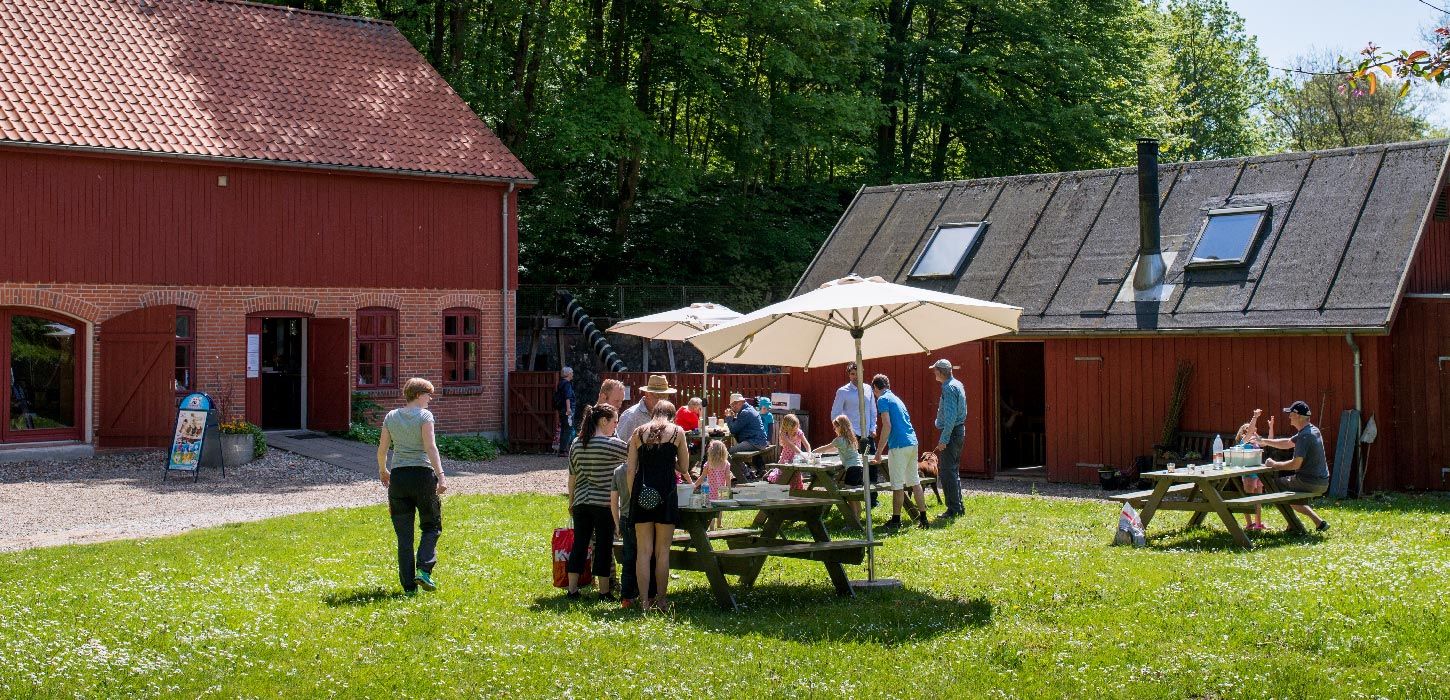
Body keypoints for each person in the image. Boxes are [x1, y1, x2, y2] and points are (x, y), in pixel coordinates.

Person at [377, 377, 448, 595]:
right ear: (418, 395)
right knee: (431, 526)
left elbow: (382, 449)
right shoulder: (425, 416)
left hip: (398, 478)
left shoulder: (391, 416)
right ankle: (424, 570)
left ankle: (409, 587)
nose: (430, 399)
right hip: (422, 477)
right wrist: (441, 476)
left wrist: (383, 471)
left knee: (404, 537)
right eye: (428, 394)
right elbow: (430, 447)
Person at [626, 401, 694, 611]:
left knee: (643, 552)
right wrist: (668, 461)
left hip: (642, 494)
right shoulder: (677, 432)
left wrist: (633, 495)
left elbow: (630, 470)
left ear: (653, 414)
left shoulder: (638, 433)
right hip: (666, 492)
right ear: (672, 416)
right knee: (662, 551)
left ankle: (645, 602)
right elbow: (684, 467)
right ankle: (662, 601)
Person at [566, 404, 626, 600]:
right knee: (603, 546)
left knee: (580, 544)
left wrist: (571, 501)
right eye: (615, 421)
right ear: (603, 421)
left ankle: (572, 589)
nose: (616, 426)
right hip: (604, 503)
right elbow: (634, 455)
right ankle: (604, 591)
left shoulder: (576, 443)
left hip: (581, 501)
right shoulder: (612, 444)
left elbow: (572, 476)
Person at [1250, 400, 1331, 532]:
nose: (1289, 417)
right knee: (1288, 492)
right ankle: (1318, 522)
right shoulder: (1312, 430)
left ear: (1298, 416)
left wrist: (1274, 464)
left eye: (1291, 414)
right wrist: (1264, 441)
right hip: (1321, 481)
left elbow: (1295, 464)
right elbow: (1287, 443)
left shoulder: (1305, 436)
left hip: (1308, 482)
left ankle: (1293, 525)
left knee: (1273, 486)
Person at [871, 374, 929, 529]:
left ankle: (896, 520)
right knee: (914, 481)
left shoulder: (882, 399)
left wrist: (878, 451)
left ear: (876, 388)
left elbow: (887, 425)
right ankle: (923, 518)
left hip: (898, 445)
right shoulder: (897, 399)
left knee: (897, 485)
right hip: (912, 442)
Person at [929, 358, 967, 521]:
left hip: (952, 433)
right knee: (952, 470)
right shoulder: (957, 384)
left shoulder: (949, 388)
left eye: (935, 370)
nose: (934, 373)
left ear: (940, 371)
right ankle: (958, 506)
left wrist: (944, 439)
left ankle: (953, 509)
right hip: (958, 431)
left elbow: (951, 416)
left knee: (946, 471)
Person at [814, 414, 866, 520]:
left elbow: (827, 448)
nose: (834, 429)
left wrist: (813, 452)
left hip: (852, 469)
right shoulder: (851, 438)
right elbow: (836, 449)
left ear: (840, 427)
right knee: (855, 495)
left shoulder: (839, 440)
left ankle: (854, 519)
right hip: (859, 468)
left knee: (850, 496)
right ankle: (858, 517)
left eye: (835, 427)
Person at [830, 362, 877, 452]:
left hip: (867, 436)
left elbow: (873, 411)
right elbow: (835, 414)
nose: (855, 376)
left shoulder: (868, 389)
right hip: (851, 436)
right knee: (855, 464)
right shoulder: (842, 391)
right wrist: (842, 432)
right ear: (849, 375)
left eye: (858, 373)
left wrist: (873, 428)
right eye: (853, 374)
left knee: (870, 461)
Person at [617, 374, 675, 442]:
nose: (663, 401)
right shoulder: (631, 416)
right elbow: (619, 445)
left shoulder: (666, 414)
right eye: (658, 396)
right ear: (647, 394)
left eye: (665, 397)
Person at [724, 392, 769, 479]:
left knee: (728, 452)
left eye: (735, 404)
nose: (734, 407)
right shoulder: (748, 409)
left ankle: (745, 474)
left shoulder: (745, 412)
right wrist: (732, 418)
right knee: (732, 452)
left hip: (755, 441)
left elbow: (733, 429)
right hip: (758, 440)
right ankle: (746, 472)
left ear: (741, 402)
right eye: (733, 405)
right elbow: (738, 425)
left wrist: (729, 418)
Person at [1236, 408, 1266, 531]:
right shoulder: (1243, 443)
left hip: (1258, 474)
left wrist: (1272, 426)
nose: (1254, 431)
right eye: (1250, 430)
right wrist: (1255, 417)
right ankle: (1249, 524)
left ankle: (1258, 524)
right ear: (1244, 432)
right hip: (1248, 475)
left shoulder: (1256, 443)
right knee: (1248, 499)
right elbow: (1249, 433)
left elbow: (1267, 442)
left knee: (1258, 499)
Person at [701, 439, 733, 528]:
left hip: (710, 489)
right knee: (720, 507)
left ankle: (712, 526)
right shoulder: (726, 464)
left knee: (711, 508)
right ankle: (719, 523)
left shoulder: (708, 464)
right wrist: (729, 488)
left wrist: (695, 484)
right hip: (722, 488)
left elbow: (703, 476)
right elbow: (727, 477)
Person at [776, 413, 811, 490]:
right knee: (785, 475)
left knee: (796, 474)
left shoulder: (799, 432)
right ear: (788, 426)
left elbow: (807, 444)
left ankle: (797, 490)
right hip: (786, 458)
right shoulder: (784, 435)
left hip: (797, 458)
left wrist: (809, 453)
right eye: (794, 427)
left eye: (797, 426)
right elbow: (792, 446)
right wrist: (802, 453)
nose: (796, 429)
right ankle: (784, 490)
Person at [554, 367, 576, 456]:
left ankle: (562, 449)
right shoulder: (567, 384)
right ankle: (563, 450)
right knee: (567, 429)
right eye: (571, 373)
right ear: (568, 374)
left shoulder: (561, 384)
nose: (572, 374)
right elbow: (568, 397)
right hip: (567, 409)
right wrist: (569, 409)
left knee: (564, 428)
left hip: (561, 409)